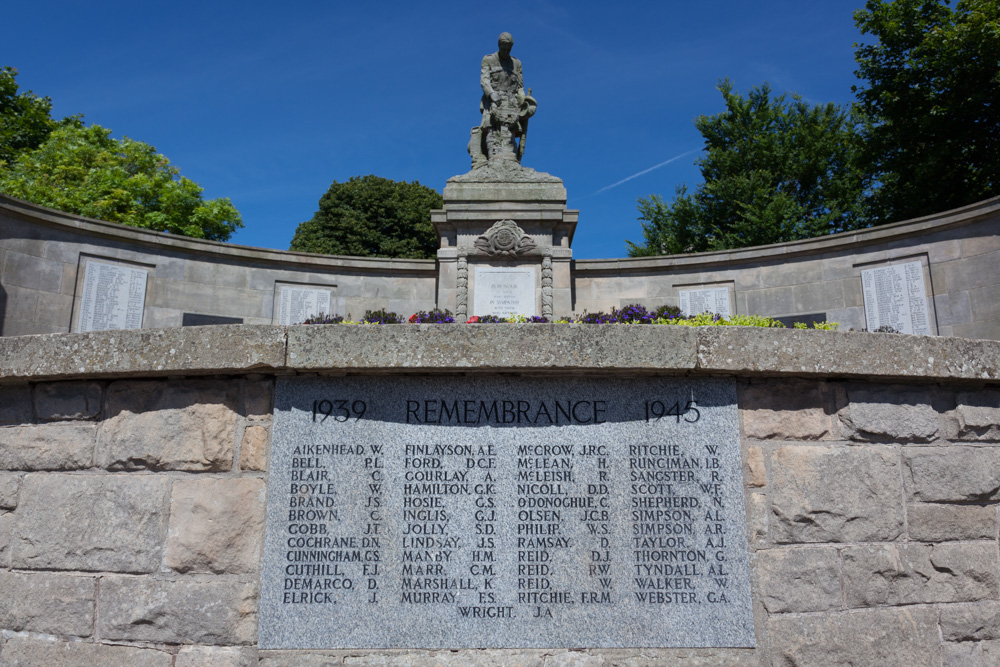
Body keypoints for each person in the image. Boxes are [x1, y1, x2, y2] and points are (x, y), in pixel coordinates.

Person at [469, 32, 536, 168]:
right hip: (493, 100)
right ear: (499, 45)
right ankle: (494, 156)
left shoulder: (516, 63)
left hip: (511, 102)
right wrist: (491, 94)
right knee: (491, 128)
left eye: (508, 48)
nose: (506, 51)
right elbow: (484, 80)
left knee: (510, 131)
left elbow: (520, 87)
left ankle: (510, 158)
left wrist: (525, 103)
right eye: (504, 48)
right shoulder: (488, 59)